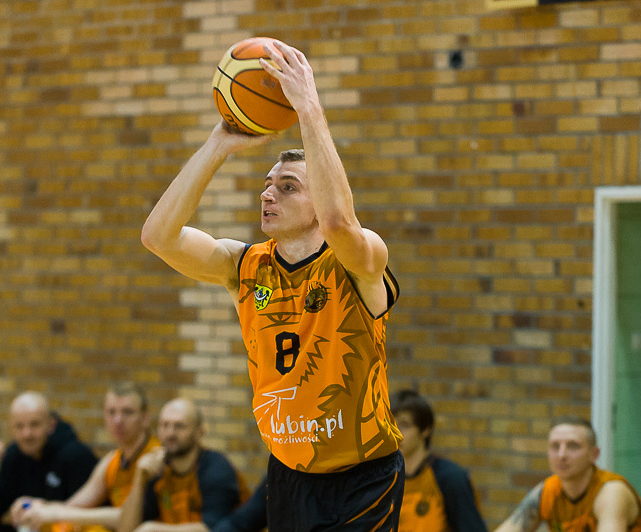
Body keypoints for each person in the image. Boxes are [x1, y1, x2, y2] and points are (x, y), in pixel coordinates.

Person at [141, 40, 403, 530]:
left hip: (361, 479)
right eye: (266, 183)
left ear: (319, 199)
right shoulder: (243, 265)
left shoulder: (358, 259)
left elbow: (339, 223)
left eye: (288, 186)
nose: (268, 193)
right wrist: (218, 144)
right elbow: (158, 237)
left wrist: (309, 110)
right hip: (287, 476)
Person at [16, 383, 159, 532]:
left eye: (127, 412)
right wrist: (39, 506)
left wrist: (57, 513)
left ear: (145, 418)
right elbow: (73, 506)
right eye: (111, 412)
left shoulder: (156, 458)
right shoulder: (112, 461)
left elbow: (131, 520)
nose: (118, 420)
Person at [0, 391, 98, 532]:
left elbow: (90, 512)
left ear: (51, 425)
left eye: (34, 424)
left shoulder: (75, 455)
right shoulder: (13, 455)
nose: (27, 434)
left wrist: (45, 510)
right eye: (19, 426)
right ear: (11, 428)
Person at [117, 398, 248, 532]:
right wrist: (139, 480)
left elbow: (215, 528)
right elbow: (126, 529)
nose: (170, 433)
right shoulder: (158, 470)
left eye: (179, 426)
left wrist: (153, 530)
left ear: (200, 432)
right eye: (164, 425)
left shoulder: (216, 469)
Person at [495, 416, 641, 532]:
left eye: (572, 446)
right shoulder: (548, 491)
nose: (562, 455)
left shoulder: (611, 492)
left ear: (594, 454)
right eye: (555, 446)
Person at [390, 389, 487, 532]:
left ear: (425, 430)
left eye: (404, 425)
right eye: (391, 424)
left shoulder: (451, 478)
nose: (396, 432)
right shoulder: (383, 478)